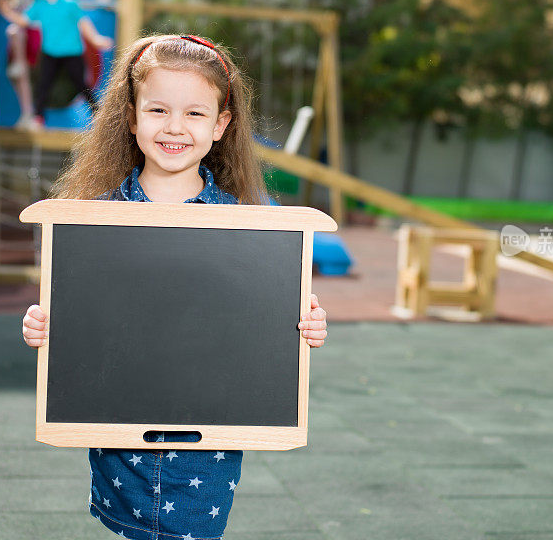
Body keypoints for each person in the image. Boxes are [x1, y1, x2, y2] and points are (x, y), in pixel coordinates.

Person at [20, 34, 329, 539]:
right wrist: (41, 326)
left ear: (220, 125)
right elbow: (75, 317)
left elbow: (266, 320)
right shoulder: (94, 221)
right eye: (159, 109)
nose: (174, 128)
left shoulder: (248, 227)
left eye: (194, 114)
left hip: (206, 448)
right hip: (122, 435)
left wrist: (304, 325)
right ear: (132, 115)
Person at [0, 0, 113, 129]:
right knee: (43, 85)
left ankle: (98, 113)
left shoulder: (69, 2)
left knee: (81, 84)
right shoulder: (40, 4)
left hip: (71, 52)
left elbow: (83, 22)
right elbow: (23, 21)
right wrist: (6, 11)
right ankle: (38, 118)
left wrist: (95, 39)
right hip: (50, 52)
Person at [1, 0, 36, 128]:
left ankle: (28, 114)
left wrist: (4, 5)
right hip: (15, 46)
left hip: (25, 41)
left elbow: (21, 18)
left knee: (14, 30)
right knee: (19, 80)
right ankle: (26, 113)